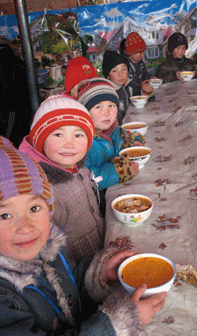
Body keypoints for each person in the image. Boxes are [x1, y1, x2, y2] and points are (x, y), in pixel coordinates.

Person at [0, 139, 168, 335]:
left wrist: (99, 274)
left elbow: (70, 287)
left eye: (34, 208)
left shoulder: (48, 248)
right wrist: (118, 325)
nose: (26, 227)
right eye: (4, 215)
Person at [19, 95, 104, 264]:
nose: (69, 144)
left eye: (78, 135)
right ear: (39, 141)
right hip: (76, 267)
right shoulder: (43, 190)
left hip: (98, 253)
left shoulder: (79, 167)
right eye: (58, 134)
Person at [77, 77, 146, 216]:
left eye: (111, 105)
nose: (107, 112)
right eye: (98, 107)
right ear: (85, 112)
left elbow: (120, 142)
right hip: (99, 208)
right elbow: (85, 181)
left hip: (117, 190)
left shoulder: (113, 129)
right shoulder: (82, 143)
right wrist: (115, 172)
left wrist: (130, 144)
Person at [0, 35, 33, 147]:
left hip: (10, 108)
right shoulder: (19, 61)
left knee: (7, 141)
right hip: (21, 108)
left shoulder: (5, 62)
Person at [102, 50, 141, 125]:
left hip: (132, 121)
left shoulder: (129, 85)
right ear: (108, 76)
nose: (120, 74)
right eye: (114, 71)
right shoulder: (108, 94)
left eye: (123, 69)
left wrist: (147, 91)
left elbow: (139, 95)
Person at [122, 32, 155, 100]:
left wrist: (150, 77)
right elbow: (130, 81)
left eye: (143, 52)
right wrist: (141, 83)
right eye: (140, 52)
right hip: (130, 95)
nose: (142, 55)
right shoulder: (125, 64)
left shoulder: (140, 62)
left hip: (141, 91)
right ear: (131, 52)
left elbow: (144, 73)